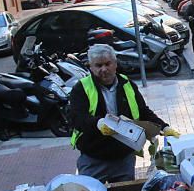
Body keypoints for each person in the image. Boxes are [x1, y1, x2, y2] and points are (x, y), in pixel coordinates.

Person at [68, 44, 179, 183]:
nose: (104, 69)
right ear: (91, 66)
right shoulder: (81, 88)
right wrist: (98, 123)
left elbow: (143, 112)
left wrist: (164, 127)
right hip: (93, 158)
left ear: (115, 63)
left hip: (123, 158)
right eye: (98, 65)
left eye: (107, 64)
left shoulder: (127, 84)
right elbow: (77, 118)